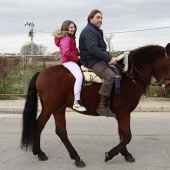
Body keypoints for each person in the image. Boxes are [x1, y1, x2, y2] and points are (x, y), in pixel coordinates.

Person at [79, 9, 116, 117]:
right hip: (91, 60)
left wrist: (110, 57)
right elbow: (93, 49)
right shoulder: (89, 31)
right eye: (98, 17)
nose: (100, 20)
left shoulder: (95, 30)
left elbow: (101, 49)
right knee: (110, 76)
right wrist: (108, 59)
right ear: (91, 19)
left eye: (101, 18)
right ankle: (101, 107)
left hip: (97, 59)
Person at [53, 20, 86, 112]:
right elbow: (66, 53)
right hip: (68, 61)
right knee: (79, 77)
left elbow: (73, 50)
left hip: (71, 59)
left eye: (74, 27)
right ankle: (77, 102)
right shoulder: (66, 39)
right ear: (66, 28)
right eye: (71, 27)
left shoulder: (70, 38)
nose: (73, 29)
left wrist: (81, 54)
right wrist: (78, 59)